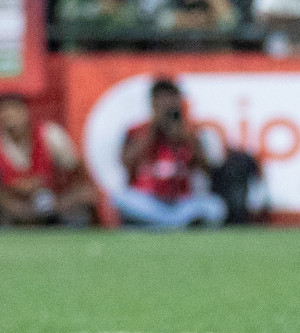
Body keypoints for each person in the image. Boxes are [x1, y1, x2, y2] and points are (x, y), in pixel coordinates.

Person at [115, 78, 226, 229]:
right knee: (120, 199)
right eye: (162, 101)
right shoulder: (137, 131)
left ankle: (162, 224)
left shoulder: (189, 131)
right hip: (148, 201)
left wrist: (186, 137)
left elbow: (206, 168)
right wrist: (153, 131)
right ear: (153, 103)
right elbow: (126, 163)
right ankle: (172, 224)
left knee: (215, 207)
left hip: (182, 203)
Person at [0, 93, 97, 227]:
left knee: (85, 197)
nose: (10, 118)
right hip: (15, 206)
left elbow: (78, 176)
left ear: (26, 112)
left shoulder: (50, 135)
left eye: (15, 112)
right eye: (5, 113)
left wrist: (58, 201)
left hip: (53, 201)